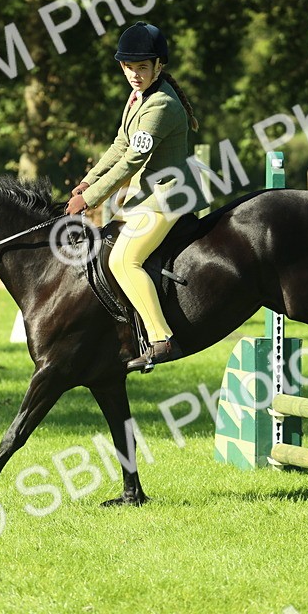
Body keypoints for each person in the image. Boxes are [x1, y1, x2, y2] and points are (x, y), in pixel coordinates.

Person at [65, 21, 200, 371]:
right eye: (129, 68)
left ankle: (161, 338)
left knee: (124, 260)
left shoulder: (161, 106)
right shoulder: (139, 97)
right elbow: (120, 145)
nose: (135, 75)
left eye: (142, 67)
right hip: (144, 197)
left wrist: (91, 198)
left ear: (159, 66)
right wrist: (86, 182)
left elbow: (133, 159)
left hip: (168, 197)